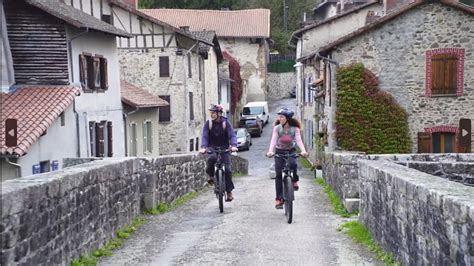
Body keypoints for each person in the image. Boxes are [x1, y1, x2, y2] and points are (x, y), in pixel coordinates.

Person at [266, 107, 308, 209]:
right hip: (279, 152)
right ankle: (278, 198)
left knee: (293, 164)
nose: (280, 119)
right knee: (279, 174)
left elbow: (298, 140)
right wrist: (270, 151)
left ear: (287, 119)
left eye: (282, 117)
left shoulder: (295, 129)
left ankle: (294, 180)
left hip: (290, 151)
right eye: (279, 117)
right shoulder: (277, 128)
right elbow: (273, 140)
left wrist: (303, 151)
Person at [199, 104, 238, 201]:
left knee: (228, 170)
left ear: (219, 114)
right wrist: (204, 147)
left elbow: (232, 135)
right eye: (211, 113)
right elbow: (204, 136)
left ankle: (229, 192)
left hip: (224, 148)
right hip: (212, 147)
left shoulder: (225, 123)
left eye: (213, 113)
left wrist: (233, 145)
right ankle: (211, 175)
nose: (211, 115)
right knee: (211, 159)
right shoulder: (208, 123)